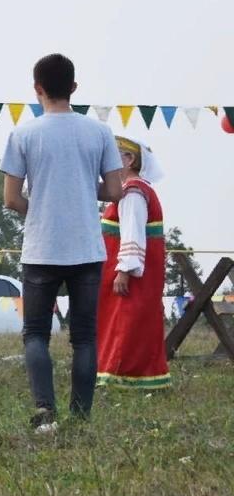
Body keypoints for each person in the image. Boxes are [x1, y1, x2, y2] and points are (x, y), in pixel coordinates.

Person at [1, 53, 123, 430]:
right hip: (87, 246)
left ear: (37, 88)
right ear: (73, 87)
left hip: (42, 248)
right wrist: (84, 190)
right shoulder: (99, 132)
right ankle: (82, 415)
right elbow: (116, 190)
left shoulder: (23, 134)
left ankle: (45, 409)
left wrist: (40, 211)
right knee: (84, 337)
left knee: (36, 333)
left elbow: (10, 198)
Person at [96, 136, 170, 389]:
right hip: (134, 270)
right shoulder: (133, 190)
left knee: (126, 320)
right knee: (129, 320)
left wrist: (125, 270)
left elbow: (132, 231)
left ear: (129, 159)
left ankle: (122, 374)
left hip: (132, 273)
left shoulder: (133, 191)